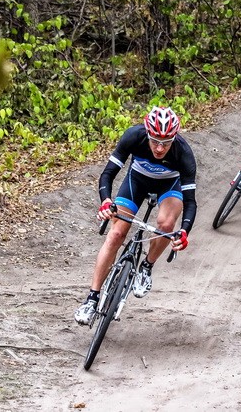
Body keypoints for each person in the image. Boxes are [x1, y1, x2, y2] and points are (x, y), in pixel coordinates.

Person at [74, 106, 197, 325]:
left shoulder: (184, 153)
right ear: (147, 134)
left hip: (169, 186)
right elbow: (108, 174)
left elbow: (190, 200)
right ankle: (91, 299)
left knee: (166, 224)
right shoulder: (133, 136)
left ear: (174, 138)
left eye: (166, 143)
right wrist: (106, 201)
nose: (159, 148)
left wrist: (185, 230)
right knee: (116, 234)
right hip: (136, 181)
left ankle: (147, 266)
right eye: (155, 141)